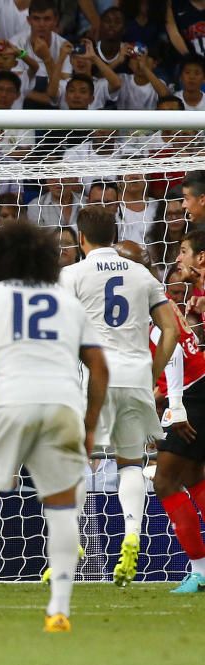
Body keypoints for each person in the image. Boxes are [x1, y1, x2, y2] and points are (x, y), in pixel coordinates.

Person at [0, 221, 108, 633]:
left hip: (11, 401)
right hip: (63, 404)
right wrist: (90, 426)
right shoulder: (66, 301)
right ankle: (59, 610)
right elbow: (99, 366)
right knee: (60, 506)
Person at [59, 206, 178, 586]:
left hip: (94, 377)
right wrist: (152, 373)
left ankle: (71, 541)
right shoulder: (142, 274)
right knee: (130, 462)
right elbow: (171, 331)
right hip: (135, 376)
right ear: (115, 234)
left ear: (81, 238)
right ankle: (131, 536)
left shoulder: (72, 274)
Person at [157, 228, 205, 593]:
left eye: (184, 251)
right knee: (193, 477)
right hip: (195, 386)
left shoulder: (142, 302)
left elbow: (172, 349)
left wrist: (174, 405)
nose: (178, 260)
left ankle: (200, 570)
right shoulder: (171, 298)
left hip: (192, 393)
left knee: (165, 480)